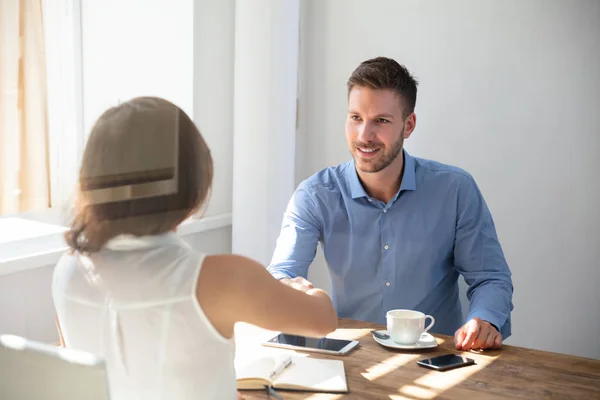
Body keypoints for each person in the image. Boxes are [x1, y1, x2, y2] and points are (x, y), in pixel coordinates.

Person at [52, 97, 337, 400]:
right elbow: (323, 320)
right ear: (192, 178)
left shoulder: (68, 270)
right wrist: (302, 289)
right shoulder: (221, 277)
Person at [267, 57, 513, 351]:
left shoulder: (456, 190)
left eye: (381, 121)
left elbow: (490, 277)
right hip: (351, 354)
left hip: (437, 356)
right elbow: (283, 271)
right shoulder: (315, 194)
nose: (364, 136)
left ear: (408, 125)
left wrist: (484, 319)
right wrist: (288, 288)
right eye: (356, 117)